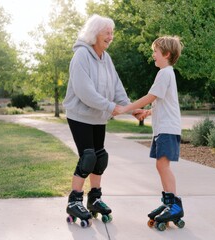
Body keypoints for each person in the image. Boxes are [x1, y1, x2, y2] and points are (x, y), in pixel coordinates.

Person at [63, 14, 135, 226]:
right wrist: (112, 107)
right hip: (80, 116)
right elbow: (85, 92)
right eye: (107, 32)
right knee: (88, 158)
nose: (111, 36)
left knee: (99, 158)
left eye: (112, 33)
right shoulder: (81, 56)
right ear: (94, 34)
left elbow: (117, 87)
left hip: (98, 117)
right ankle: (74, 201)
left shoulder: (106, 58)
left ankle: (94, 198)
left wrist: (132, 109)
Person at [113, 36, 185, 230]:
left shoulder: (164, 73)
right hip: (164, 129)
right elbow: (163, 102)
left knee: (163, 166)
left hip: (167, 129)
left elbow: (150, 96)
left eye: (155, 51)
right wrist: (148, 112)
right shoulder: (167, 74)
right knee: (161, 165)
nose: (153, 54)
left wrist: (125, 108)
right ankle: (169, 201)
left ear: (167, 54)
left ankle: (174, 205)